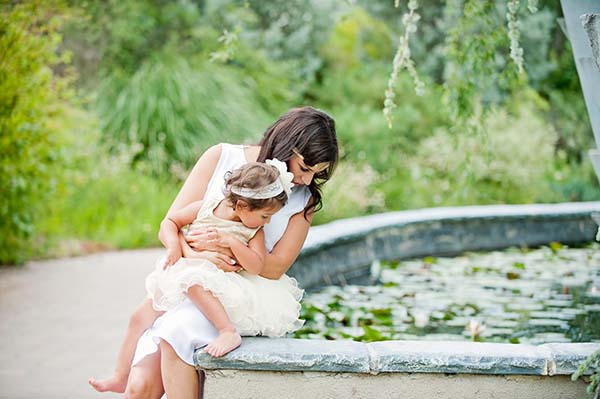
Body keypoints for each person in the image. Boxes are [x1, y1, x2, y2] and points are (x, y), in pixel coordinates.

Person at [125, 106, 338, 399]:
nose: (305, 180)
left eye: (317, 173)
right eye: (304, 168)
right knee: (139, 386)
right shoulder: (221, 156)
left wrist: (228, 247)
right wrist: (198, 256)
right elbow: (174, 223)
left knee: (176, 331)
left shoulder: (305, 198)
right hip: (192, 278)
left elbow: (276, 267)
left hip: (243, 292)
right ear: (288, 145)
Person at [89, 161, 302, 393]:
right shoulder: (206, 207)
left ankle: (227, 331)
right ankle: (121, 375)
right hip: (186, 275)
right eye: (264, 216)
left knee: (192, 280)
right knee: (139, 316)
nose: (267, 222)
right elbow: (170, 222)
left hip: (216, 281)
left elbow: (256, 264)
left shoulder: (251, 231)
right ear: (241, 205)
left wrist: (231, 242)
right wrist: (173, 246)